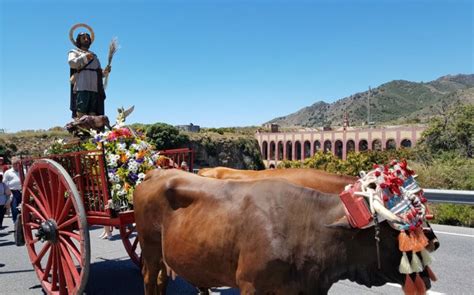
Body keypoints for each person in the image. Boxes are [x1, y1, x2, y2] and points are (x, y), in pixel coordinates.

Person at [68, 31, 111, 118]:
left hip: (94, 88)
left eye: (88, 38)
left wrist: (105, 72)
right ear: (78, 40)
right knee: (81, 110)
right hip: (82, 86)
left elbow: (99, 73)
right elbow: (72, 63)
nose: (86, 39)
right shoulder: (74, 52)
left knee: (93, 112)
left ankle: (92, 131)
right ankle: (81, 130)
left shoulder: (94, 56)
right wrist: (84, 57)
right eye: (83, 38)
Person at [3, 157, 21, 224]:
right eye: (14, 164)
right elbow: (4, 182)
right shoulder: (8, 172)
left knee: (23, 208)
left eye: (17, 163)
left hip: (22, 191)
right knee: (14, 208)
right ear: (12, 164)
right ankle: (15, 223)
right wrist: (8, 192)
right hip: (13, 192)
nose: (15, 165)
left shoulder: (23, 170)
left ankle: (22, 223)